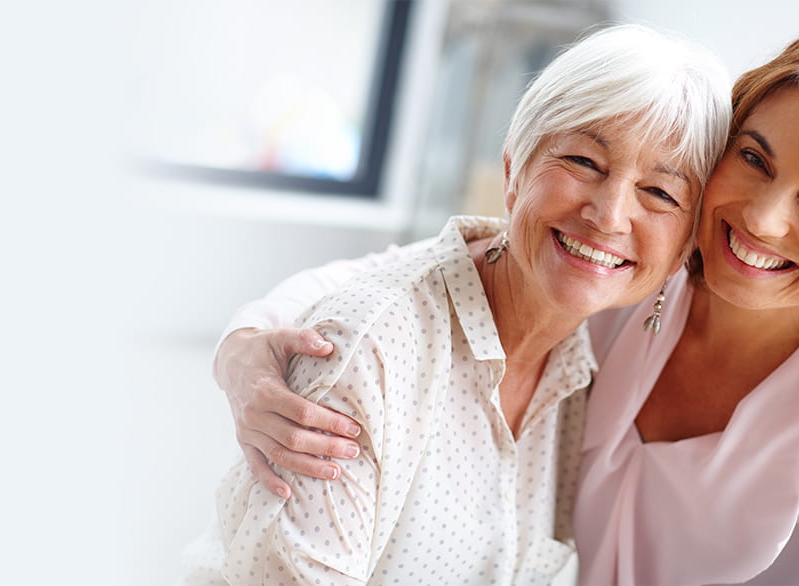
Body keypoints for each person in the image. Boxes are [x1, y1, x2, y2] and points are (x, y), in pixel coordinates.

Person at [212, 31, 799, 585]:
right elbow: (412, 282)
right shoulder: (631, 281)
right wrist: (245, 346)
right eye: (754, 159)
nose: (760, 219)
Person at [181, 24, 731, 585]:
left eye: (660, 193)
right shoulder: (370, 353)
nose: (610, 215)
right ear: (514, 167)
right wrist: (241, 344)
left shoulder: (597, 362)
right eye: (584, 162)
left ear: (686, 244)